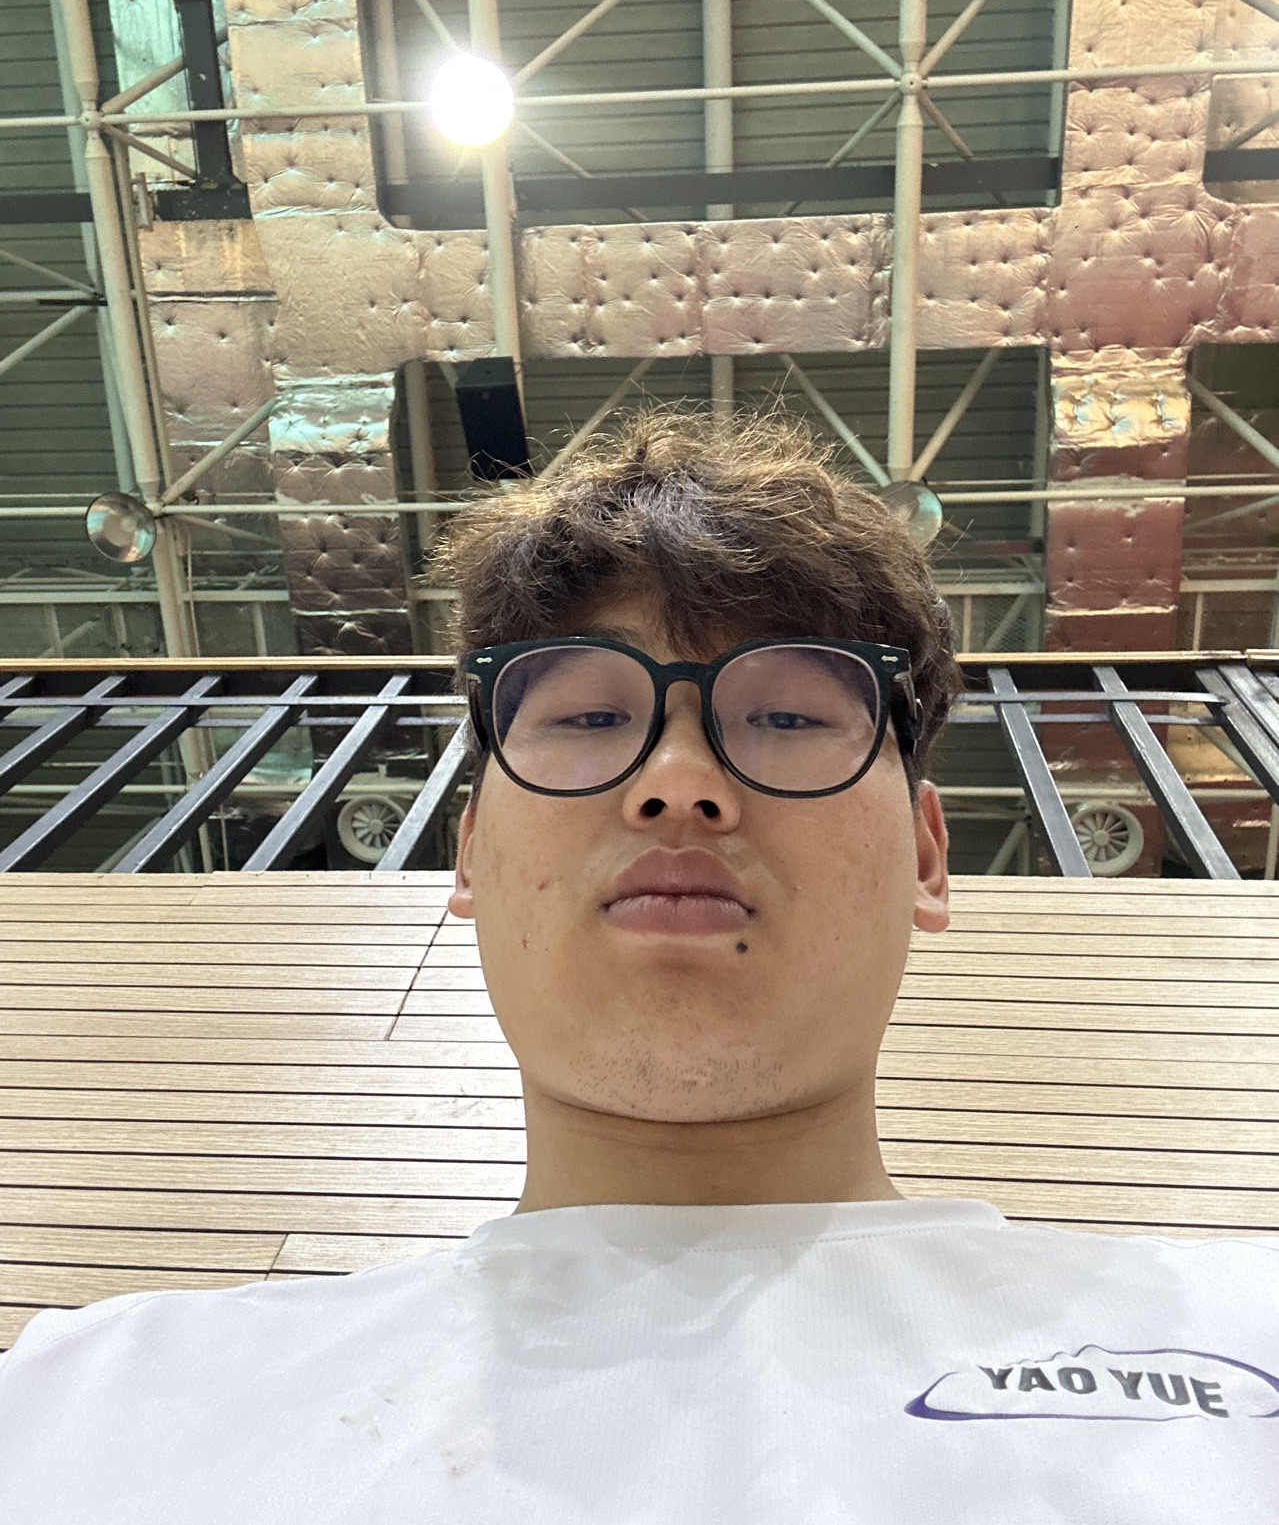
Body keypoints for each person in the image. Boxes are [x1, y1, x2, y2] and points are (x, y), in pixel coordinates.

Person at [0, 410, 1275, 1524]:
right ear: (472, 850)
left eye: (787, 713)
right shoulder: (91, 1405)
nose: (677, 780)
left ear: (928, 857)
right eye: (591, 715)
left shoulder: (1244, 1328)